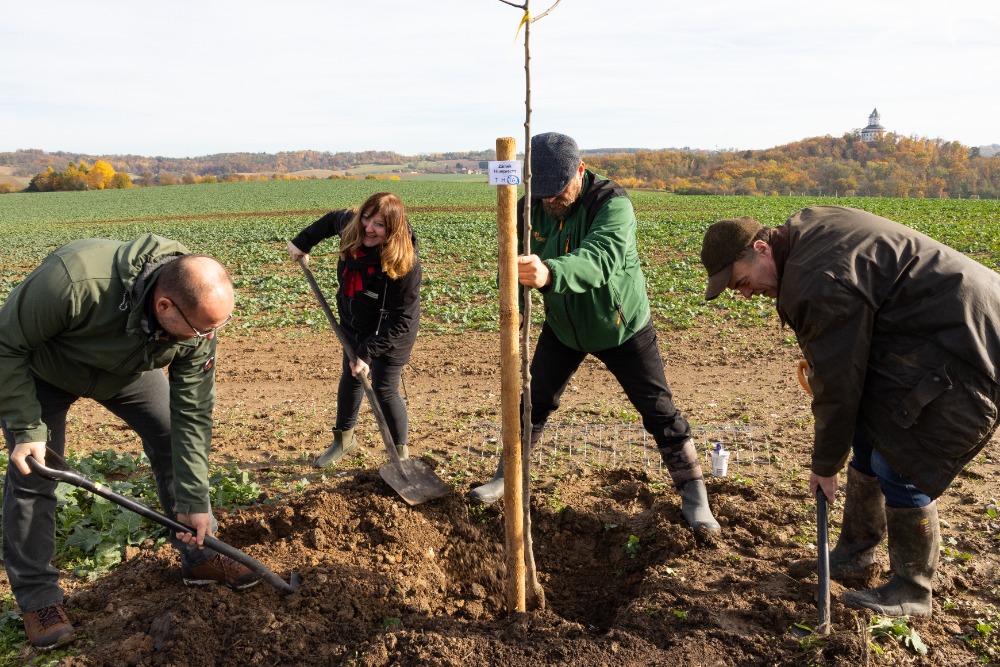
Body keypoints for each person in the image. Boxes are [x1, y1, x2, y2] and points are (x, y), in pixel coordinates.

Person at [699, 205, 1000, 617]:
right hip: (931, 332)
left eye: (743, 282)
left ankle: (912, 590)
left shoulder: (814, 280)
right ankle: (857, 554)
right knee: (867, 434)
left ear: (761, 248)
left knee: (901, 459)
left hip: (970, 342)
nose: (748, 294)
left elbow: (840, 384)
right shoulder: (805, 232)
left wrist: (825, 465)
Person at [0, 234, 258, 651]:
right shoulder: (76, 280)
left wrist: (194, 499)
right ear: (164, 306)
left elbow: (192, 412)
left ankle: (200, 556)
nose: (208, 336)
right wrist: (27, 429)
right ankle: (38, 601)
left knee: (171, 436)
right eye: (201, 328)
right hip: (44, 372)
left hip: (129, 371)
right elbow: (5, 343)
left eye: (218, 326)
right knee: (36, 472)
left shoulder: (197, 323)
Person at [469, 132, 720, 533]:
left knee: (659, 411)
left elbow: (600, 258)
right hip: (563, 328)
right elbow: (512, 258)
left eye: (559, 190)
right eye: (543, 191)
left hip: (620, 325)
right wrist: (514, 304)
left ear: (580, 171)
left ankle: (694, 494)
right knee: (532, 404)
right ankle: (507, 476)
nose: (551, 200)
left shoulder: (612, 204)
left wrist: (551, 273)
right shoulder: (527, 206)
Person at [287, 192, 420, 466]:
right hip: (355, 320)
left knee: (384, 388)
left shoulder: (404, 264)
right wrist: (302, 243)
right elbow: (330, 220)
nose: (368, 228)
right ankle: (344, 440)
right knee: (350, 377)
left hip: (391, 330)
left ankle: (400, 456)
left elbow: (401, 320)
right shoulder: (351, 225)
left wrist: (367, 353)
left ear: (392, 230)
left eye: (380, 225)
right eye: (367, 218)